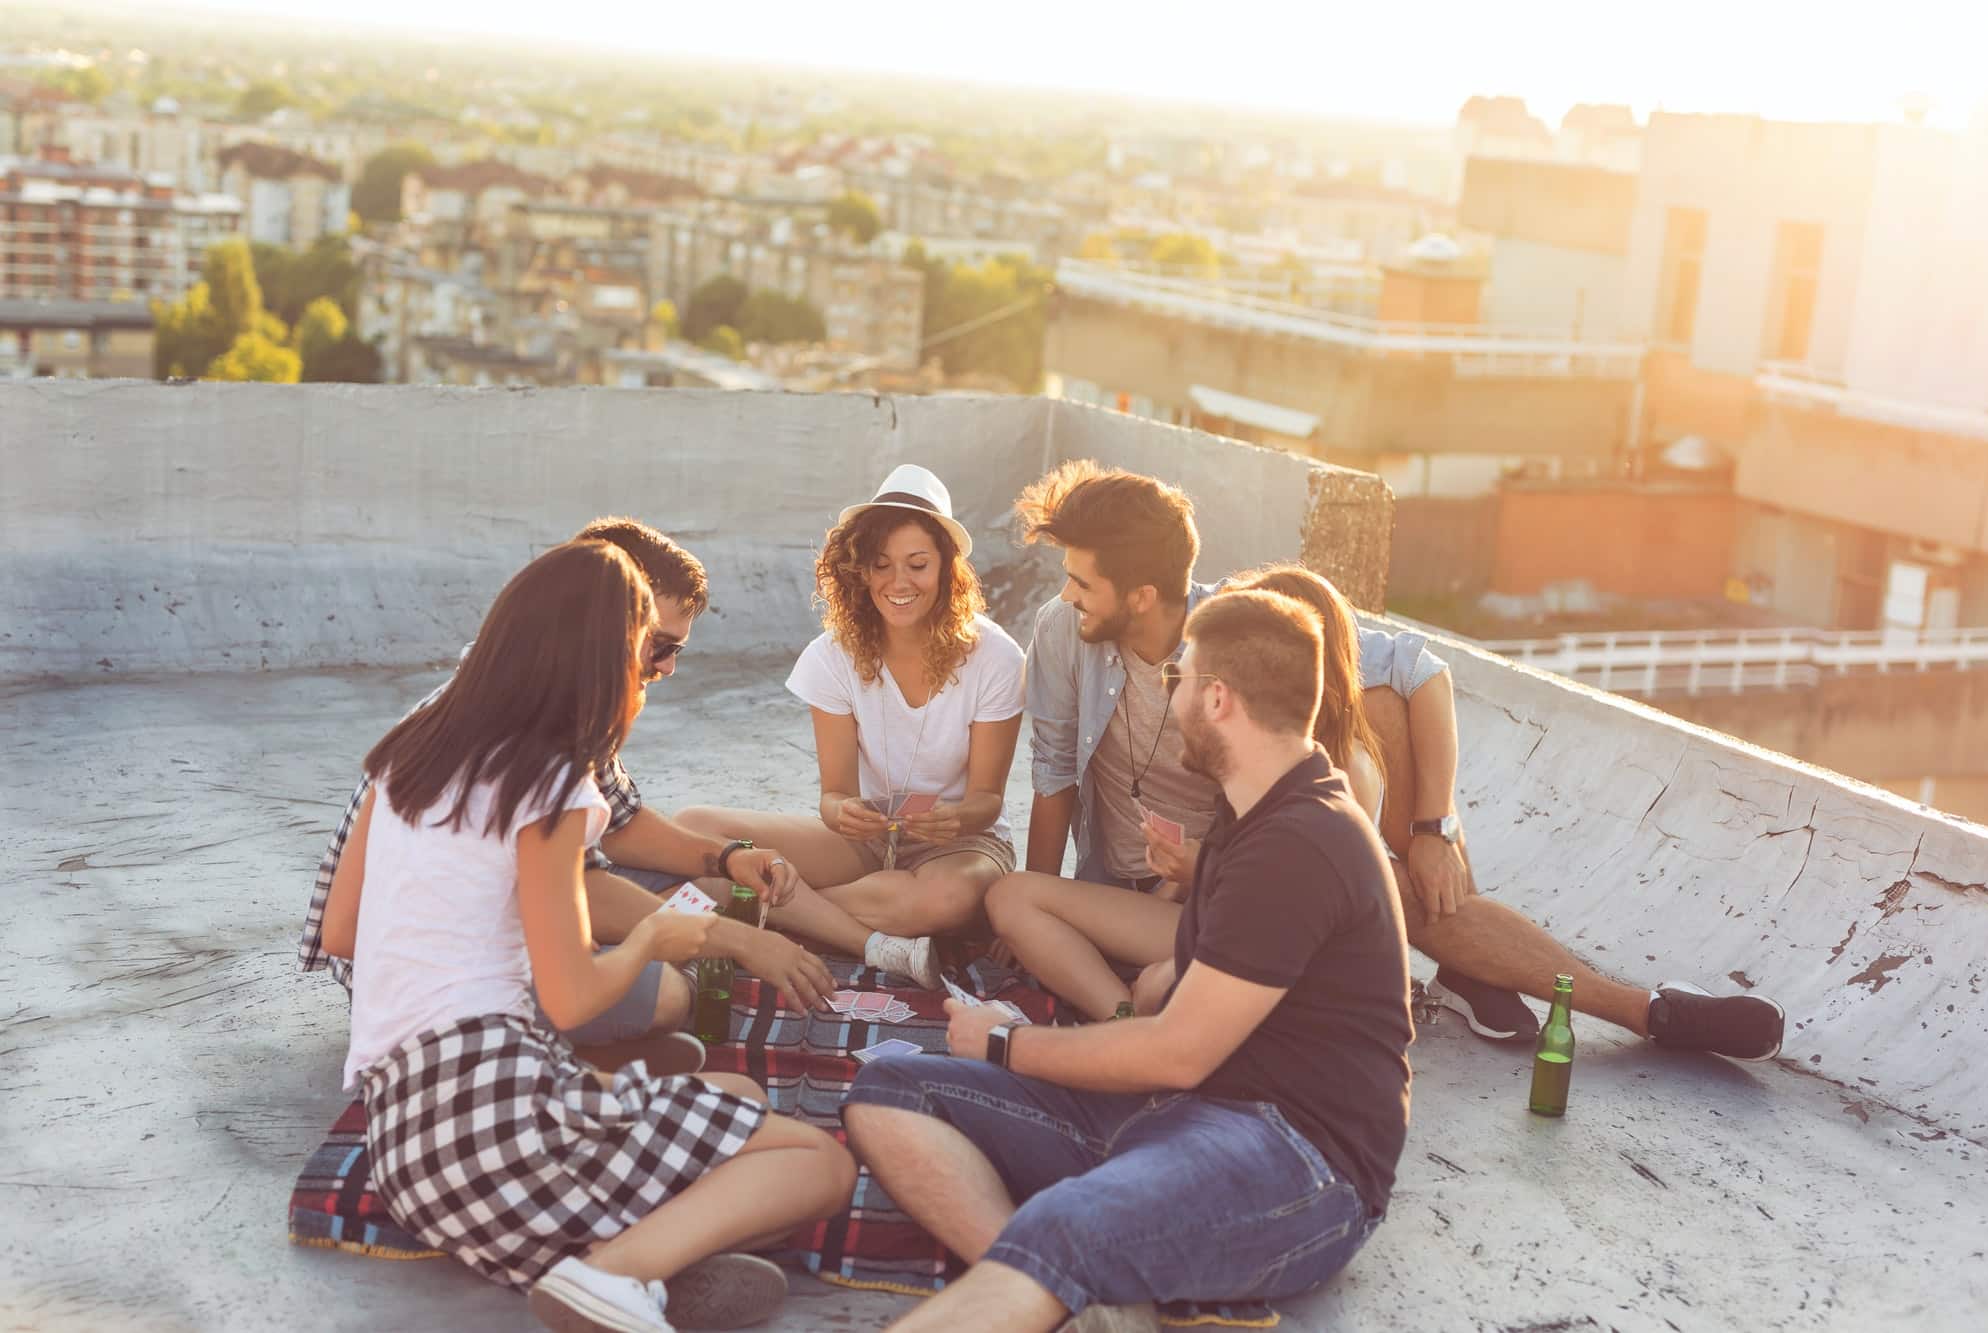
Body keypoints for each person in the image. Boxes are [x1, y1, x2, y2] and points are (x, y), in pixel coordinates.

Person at [988, 462, 1787, 1061]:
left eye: (1082, 582)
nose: (1065, 597)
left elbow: (1416, 665)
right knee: (1020, 902)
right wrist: (1057, 897)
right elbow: (1054, 774)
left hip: (1239, 888)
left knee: (1380, 746)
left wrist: (1435, 825)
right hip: (1148, 892)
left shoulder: (1241, 628)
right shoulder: (1062, 636)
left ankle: (1648, 1011)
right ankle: (1489, 972)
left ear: (1140, 594)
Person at [318, 540, 855, 1333]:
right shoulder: (550, 778)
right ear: (600, 657)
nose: (650, 674)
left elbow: (339, 928)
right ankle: (612, 1275)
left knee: (736, 1104)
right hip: (497, 1124)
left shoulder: (405, 754)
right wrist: (657, 941)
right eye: (647, 651)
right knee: (818, 1163)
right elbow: (570, 996)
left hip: (408, 1151)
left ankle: (640, 1266)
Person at [843, 590, 1412, 1331]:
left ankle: (1053, 1269)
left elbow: (1177, 1053)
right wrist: (1155, 990)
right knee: (891, 1087)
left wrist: (1005, 1041)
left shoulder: (1300, 841)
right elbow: (1197, 988)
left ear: (1217, 698)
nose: (1167, 696)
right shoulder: (1259, 812)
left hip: (1296, 1156)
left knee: (1067, 1220)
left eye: (1178, 679)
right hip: (1182, 1110)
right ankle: (1072, 1296)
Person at [299, 517, 840, 1049]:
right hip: (468, 1014)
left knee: (694, 912)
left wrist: (723, 860)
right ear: (607, 629)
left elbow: (621, 831)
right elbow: (578, 908)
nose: (668, 668)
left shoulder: (429, 732)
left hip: (394, 1009)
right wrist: (722, 940)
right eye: (660, 646)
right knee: (672, 988)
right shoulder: (544, 758)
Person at [677, 465, 1025, 990]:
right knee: (692, 825)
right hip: (870, 843)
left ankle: (747, 906)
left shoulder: (996, 656)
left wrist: (952, 819)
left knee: (941, 899)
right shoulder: (833, 654)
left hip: (961, 847)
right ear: (860, 571)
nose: (899, 582)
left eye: (918, 564)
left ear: (947, 569)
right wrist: (846, 812)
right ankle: (855, 926)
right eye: (881, 565)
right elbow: (834, 796)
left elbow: (988, 801)